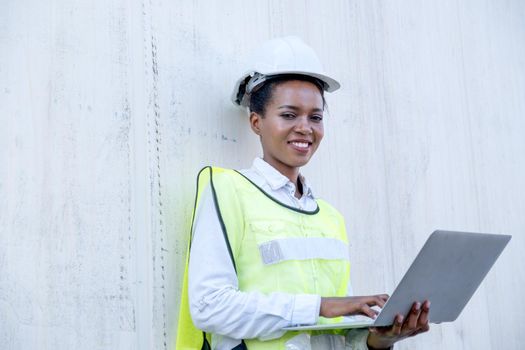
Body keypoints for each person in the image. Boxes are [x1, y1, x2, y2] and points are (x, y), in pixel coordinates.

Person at [176, 36, 430, 350]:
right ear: (256, 122)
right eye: (288, 114)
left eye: (316, 117)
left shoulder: (330, 218)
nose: (305, 127)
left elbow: (339, 334)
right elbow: (209, 306)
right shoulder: (228, 191)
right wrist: (319, 306)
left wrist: (378, 340)